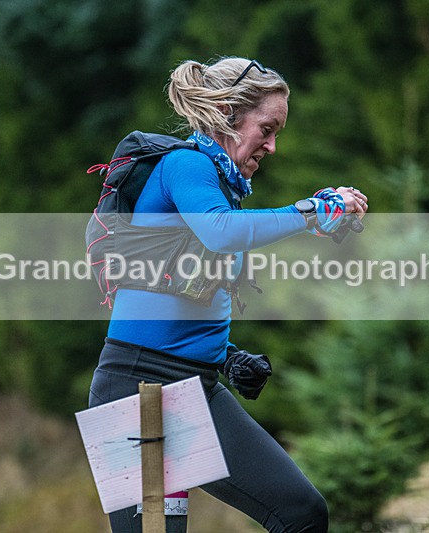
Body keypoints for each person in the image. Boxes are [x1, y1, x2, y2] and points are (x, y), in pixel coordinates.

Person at [87, 56, 368, 533]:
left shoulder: (217, 185)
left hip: (196, 386)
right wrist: (312, 210)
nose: (272, 146)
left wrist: (225, 354)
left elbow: (183, 293)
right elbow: (222, 232)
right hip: (137, 391)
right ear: (227, 115)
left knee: (302, 513)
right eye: (267, 129)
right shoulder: (186, 164)